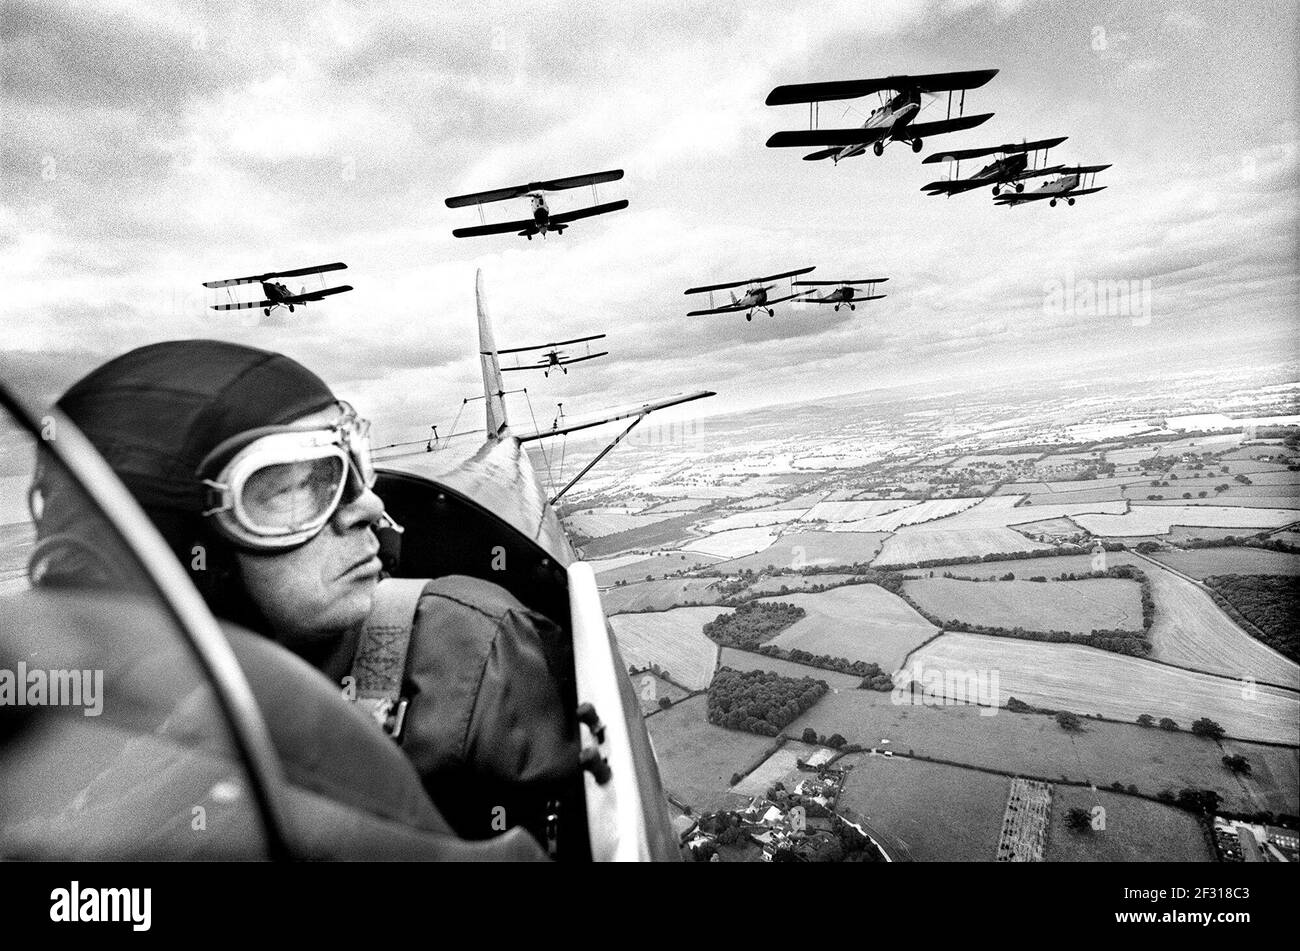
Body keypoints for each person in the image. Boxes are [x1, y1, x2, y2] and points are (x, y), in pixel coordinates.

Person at [36, 339, 578, 850]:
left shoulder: (467, 654)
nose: (368, 507)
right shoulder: (59, 751)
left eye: (353, 465)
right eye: (293, 488)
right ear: (173, 546)